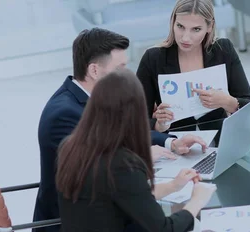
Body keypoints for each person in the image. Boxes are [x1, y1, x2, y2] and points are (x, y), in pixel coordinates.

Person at [33, 28, 208, 232]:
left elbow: (115, 135)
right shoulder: (63, 116)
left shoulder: (97, 104)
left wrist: (170, 142)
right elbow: (105, 170)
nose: (127, 74)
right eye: (121, 68)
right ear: (95, 71)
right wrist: (140, 156)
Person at [55, 68, 216, 231]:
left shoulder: (70, 145)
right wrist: (196, 201)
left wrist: (173, 185)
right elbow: (164, 229)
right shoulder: (121, 164)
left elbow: (132, 195)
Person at [137, 0, 250, 137]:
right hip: (173, 146)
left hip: (220, 141)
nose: (185, 38)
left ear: (210, 27)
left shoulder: (223, 50)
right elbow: (135, 121)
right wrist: (158, 125)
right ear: (173, 22)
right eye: (180, 26)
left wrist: (227, 102)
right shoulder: (153, 58)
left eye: (196, 29)